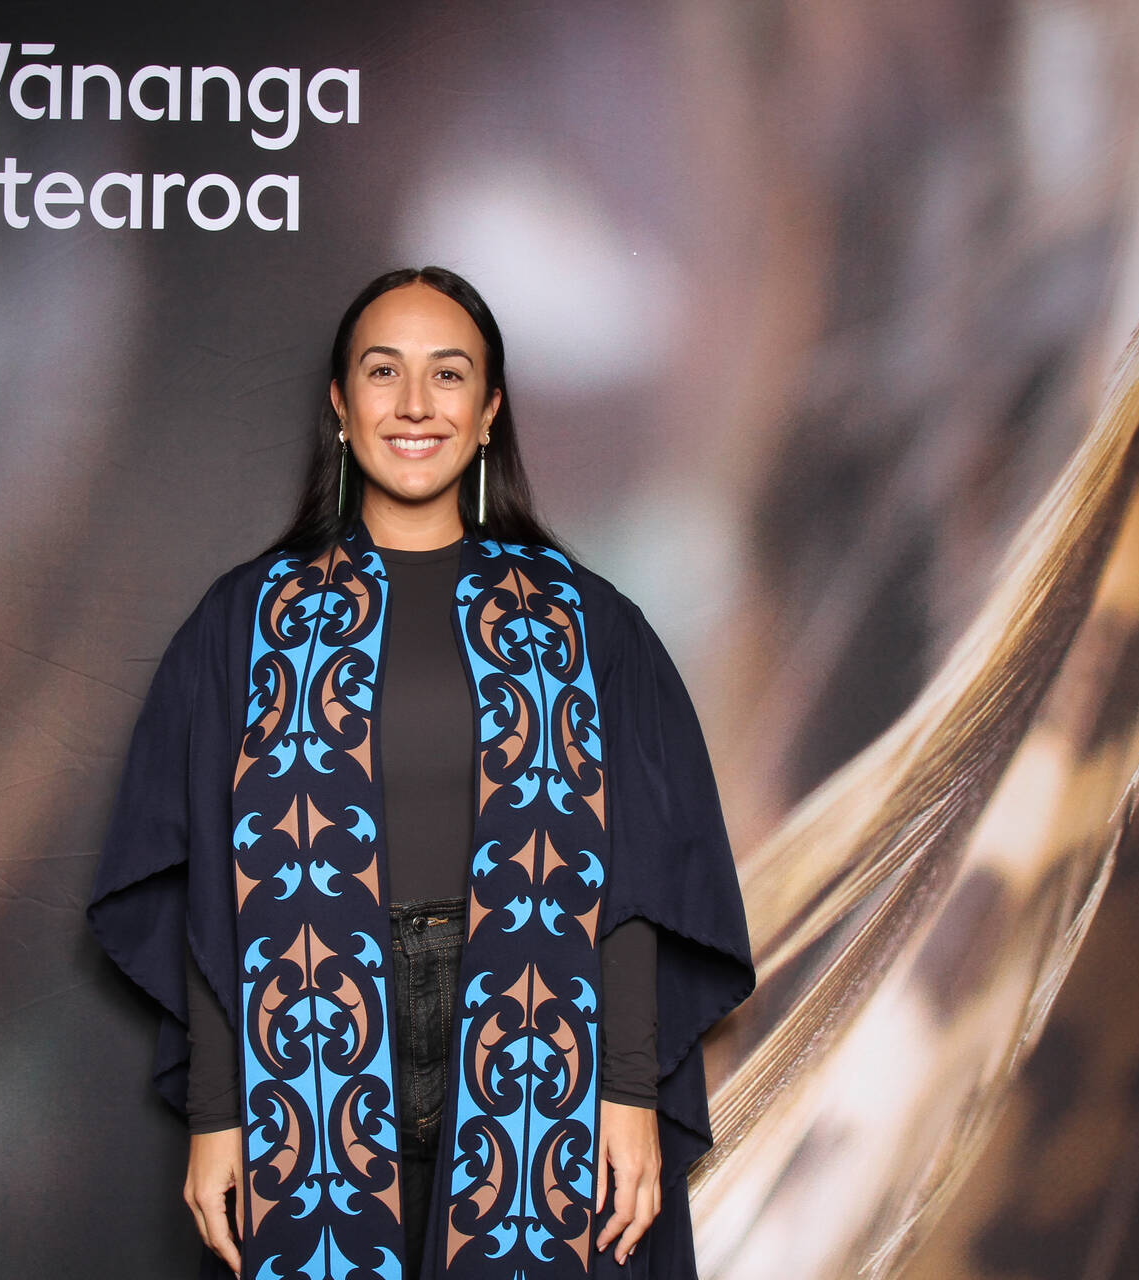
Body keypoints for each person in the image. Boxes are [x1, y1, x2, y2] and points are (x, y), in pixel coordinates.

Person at [87, 266, 755, 1279]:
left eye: (447, 375)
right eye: (382, 371)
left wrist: (626, 1093)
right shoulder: (247, 623)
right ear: (339, 404)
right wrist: (219, 1109)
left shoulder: (582, 624)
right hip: (313, 1031)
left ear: (487, 413)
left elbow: (633, 880)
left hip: (535, 1035)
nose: (413, 404)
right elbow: (210, 889)